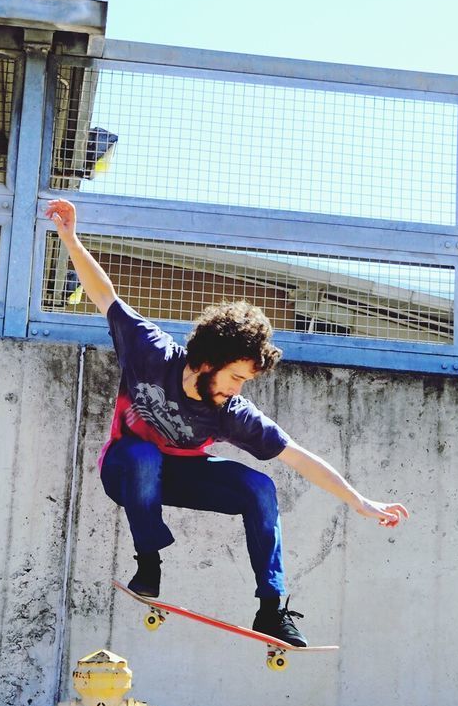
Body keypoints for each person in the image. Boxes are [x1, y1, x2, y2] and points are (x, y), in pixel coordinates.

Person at [45, 198, 409, 647]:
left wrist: (360, 502)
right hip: (124, 470)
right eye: (234, 377)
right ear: (208, 361)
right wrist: (70, 238)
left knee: (259, 487)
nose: (238, 389)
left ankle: (272, 608)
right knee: (141, 453)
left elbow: (298, 457)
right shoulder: (149, 350)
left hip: (179, 477)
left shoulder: (231, 413)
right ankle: (149, 563)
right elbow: (105, 296)